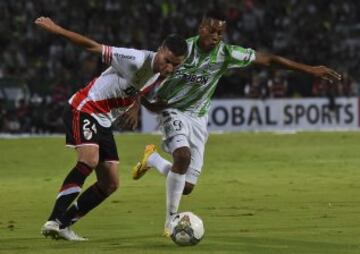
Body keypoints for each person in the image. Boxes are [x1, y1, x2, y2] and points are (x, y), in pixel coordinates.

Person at [132, 10, 342, 236]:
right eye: (212, 30)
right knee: (182, 156)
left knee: (188, 186)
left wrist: (311, 69)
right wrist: (140, 103)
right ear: (201, 28)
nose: (216, 36)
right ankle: (170, 222)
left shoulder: (226, 54)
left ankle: (152, 158)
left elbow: (268, 60)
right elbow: (147, 72)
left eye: (220, 32)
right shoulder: (183, 50)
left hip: (198, 117)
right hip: (171, 109)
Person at [34, 16, 187, 241]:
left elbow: (136, 87)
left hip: (104, 120)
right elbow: (92, 46)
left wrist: (143, 106)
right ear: (160, 49)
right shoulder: (134, 59)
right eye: (168, 60)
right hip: (84, 107)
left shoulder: (159, 73)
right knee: (89, 159)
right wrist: (56, 29)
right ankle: (54, 220)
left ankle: (65, 225)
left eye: (176, 64)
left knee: (110, 183)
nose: (170, 67)